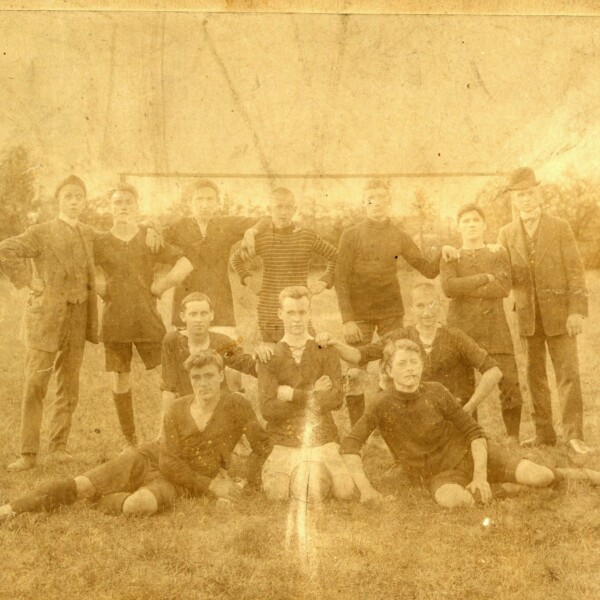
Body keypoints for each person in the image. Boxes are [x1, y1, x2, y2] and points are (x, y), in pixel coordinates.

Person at [0, 350, 272, 521]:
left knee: (137, 507)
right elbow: (167, 461)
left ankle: (99, 500)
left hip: (176, 483)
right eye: (197, 377)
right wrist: (210, 486)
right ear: (190, 379)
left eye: (209, 376)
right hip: (149, 458)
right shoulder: (177, 408)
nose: (203, 384)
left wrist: (245, 480)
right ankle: (11, 509)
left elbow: (262, 446)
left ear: (221, 375)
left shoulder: (237, 405)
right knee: (81, 483)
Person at [340, 338, 600, 508]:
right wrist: (367, 491)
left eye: (415, 362)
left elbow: (474, 432)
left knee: (540, 476)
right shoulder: (381, 403)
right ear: (388, 370)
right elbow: (350, 446)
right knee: (453, 502)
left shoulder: (436, 391)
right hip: (439, 474)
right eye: (402, 364)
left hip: (472, 456)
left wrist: (479, 476)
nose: (410, 369)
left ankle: (587, 475)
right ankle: (504, 489)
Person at [334, 178, 460, 424]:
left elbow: (426, 268)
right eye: (371, 199)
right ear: (364, 203)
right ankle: (359, 429)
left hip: (391, 312)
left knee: (392, 370)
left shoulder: (398, 234)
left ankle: (387, 426)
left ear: (389, 202)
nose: (376, 204)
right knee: (355, 373)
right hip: (359, 315)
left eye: (382, 198)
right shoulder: (351, 235)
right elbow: (340, 280)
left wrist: (443, 250)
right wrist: (348, 319)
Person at [498, 167, 592, 454]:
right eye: (520, 195)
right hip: (527, 316)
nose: (526, 200)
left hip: (561, 314)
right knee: (533, 376)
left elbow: (575, 272)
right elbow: (502, 274)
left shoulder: (559, 226)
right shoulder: (506, 233)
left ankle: (574, 435)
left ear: (538, 194)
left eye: (530, 193)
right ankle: (544, 433)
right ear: (513, 199)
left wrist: (576, 311)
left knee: (568, 374)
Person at [93, 183, 194, 445]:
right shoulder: (101, 241)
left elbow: (185, 263)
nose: (123, 206)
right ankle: (130, 440)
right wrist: (99, 285)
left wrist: (161, 285)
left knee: (169, 372)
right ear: (111, 208)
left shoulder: (149, 238)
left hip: (147, 317)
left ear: (136, 207)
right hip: (115, 320)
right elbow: (82, 264)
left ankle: (175, 433)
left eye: (128, 201)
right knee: (120, 376)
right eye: (117, 202)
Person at [317, 282, 502, 422]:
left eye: (431, 304)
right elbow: (360, 355)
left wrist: (468, 408)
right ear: (412, 308)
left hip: (454, 418)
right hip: (417, 419)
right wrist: (334, 343)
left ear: (440, 305)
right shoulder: (401, 335)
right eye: (420, 306)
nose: (427, 312)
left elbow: (494, 371)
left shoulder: (455, 336)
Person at [258, 286, 355, 502]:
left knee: (345, 491)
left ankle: (315, 472)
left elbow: (337, 399)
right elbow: (268, 409)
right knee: (279, 494)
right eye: (291, 312)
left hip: (321, 437)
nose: (296, 319)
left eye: (302, 312)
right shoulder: (269, 355)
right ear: (280, 314)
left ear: (310, 313)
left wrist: (292, 394)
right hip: (285, 438)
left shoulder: (324, 348)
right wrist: (314, 395)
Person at [440, 203, 523, 441]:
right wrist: (483, 278)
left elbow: (503, 287)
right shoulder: (450, 256)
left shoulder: (498, 253)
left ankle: (513, 437)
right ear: (458, 227)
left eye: (476, 220)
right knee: (462, 385)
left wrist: (465, 287)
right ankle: (471, 435)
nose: (471, 224)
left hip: (494, 327)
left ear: (485, 224)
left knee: (509, 380)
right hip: (461, 327)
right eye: (466, 221)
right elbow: (448, 288)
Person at [230, 187, 338, 343]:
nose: (283, 212)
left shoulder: (306, 236)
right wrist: (248, 279)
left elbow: (336, 257)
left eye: (288, 207)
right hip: (269, 310)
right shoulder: (262, 238)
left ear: (294, 210)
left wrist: (325, 280)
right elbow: (235, 259)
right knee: (273, 358)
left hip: (299, 309)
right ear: (269, 209)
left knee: (308, 354)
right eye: (278, 207)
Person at [161, 292, 272, 407]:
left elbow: (248, 363)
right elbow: (169, 388)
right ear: (183, 316)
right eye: (193, 314)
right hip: (188, 407)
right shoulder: (172, 341)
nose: (199, 319)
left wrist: (261, 355)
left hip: (218, 406)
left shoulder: (222, 343)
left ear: (211, 315)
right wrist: (165, 422)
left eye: (203, 314)